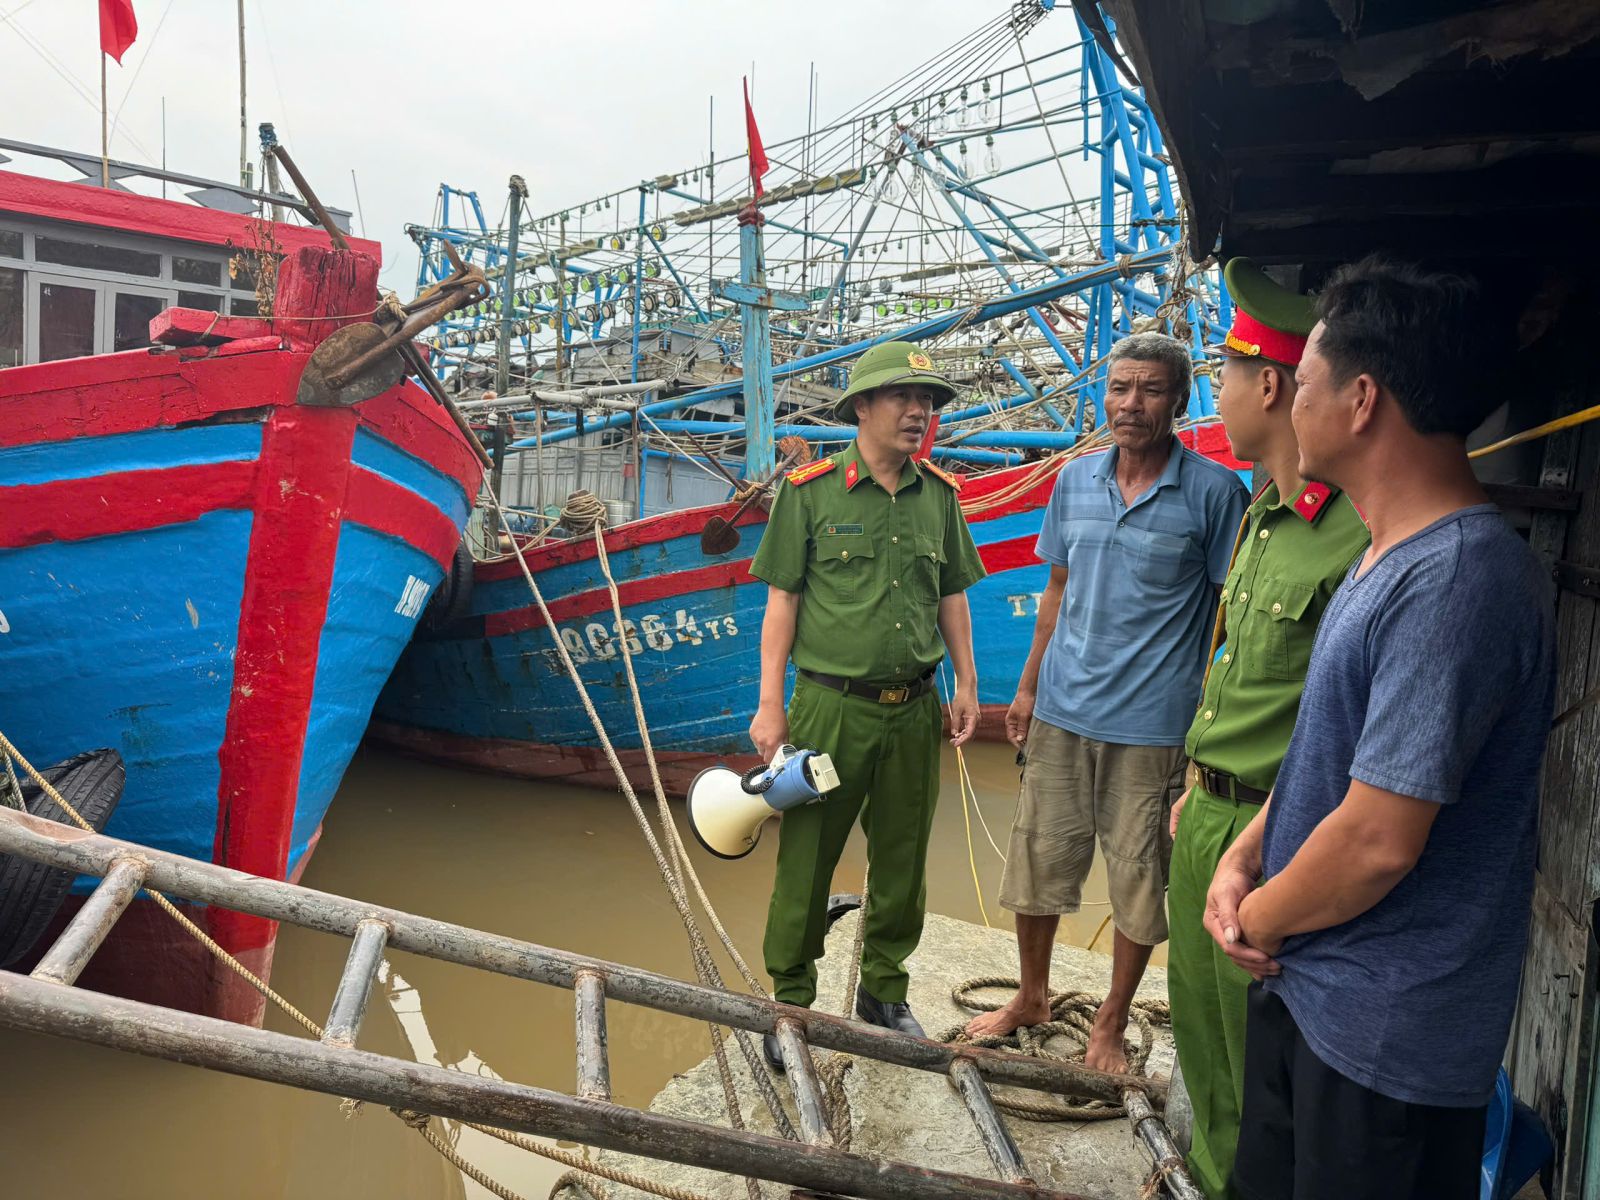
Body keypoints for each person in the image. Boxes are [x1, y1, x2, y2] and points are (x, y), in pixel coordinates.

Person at [1205, 258, 1556, 1200]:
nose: (1292, 401)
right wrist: (1247, 851)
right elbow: (1335, 751)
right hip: (1315, 993)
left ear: (1361, 401)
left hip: (1385, 1037)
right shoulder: (1385, 556)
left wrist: (1254, 919)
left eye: (1306, 384)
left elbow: (1375, 841)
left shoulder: (1455, 582)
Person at [966, 332, 1248, 1073]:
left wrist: (1207, 730)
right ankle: (1031, 994)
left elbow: (1231, 619)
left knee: (1139, 879)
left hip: (1154, 727)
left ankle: (1110, 1025)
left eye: (1150, 390)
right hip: (1061, 712)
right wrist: (1026, 688)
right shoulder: (1074, 482)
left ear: (1181, 403)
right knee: (1040, 863)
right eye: (1120, 388)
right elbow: (1056, 592)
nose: (1131, 404)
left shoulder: (1217, 495)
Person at [1167, 259, 1370, 1199]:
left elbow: (1340, 729)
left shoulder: (1350, 539)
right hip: (1210, 814)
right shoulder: (1264, 513)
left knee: (1260, 1069)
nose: (1213, 392)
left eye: (1222, 373)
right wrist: (1195, 790)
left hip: (1274, 837)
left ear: (1271, 385)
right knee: (1203, 1037)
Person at [748, 340, 986, 1070]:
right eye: (905, 400)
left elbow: (951, 597)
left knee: (904, 858)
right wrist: (769, 705)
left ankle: (884, 990)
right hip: (830, 709)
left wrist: (969, 686)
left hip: (913, 709)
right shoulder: (810, 492)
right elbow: (781, 598)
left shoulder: (939, 498)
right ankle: (791, 1001)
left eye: (930, 404)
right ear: (862, 407)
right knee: (807, 858)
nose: (920, 414)